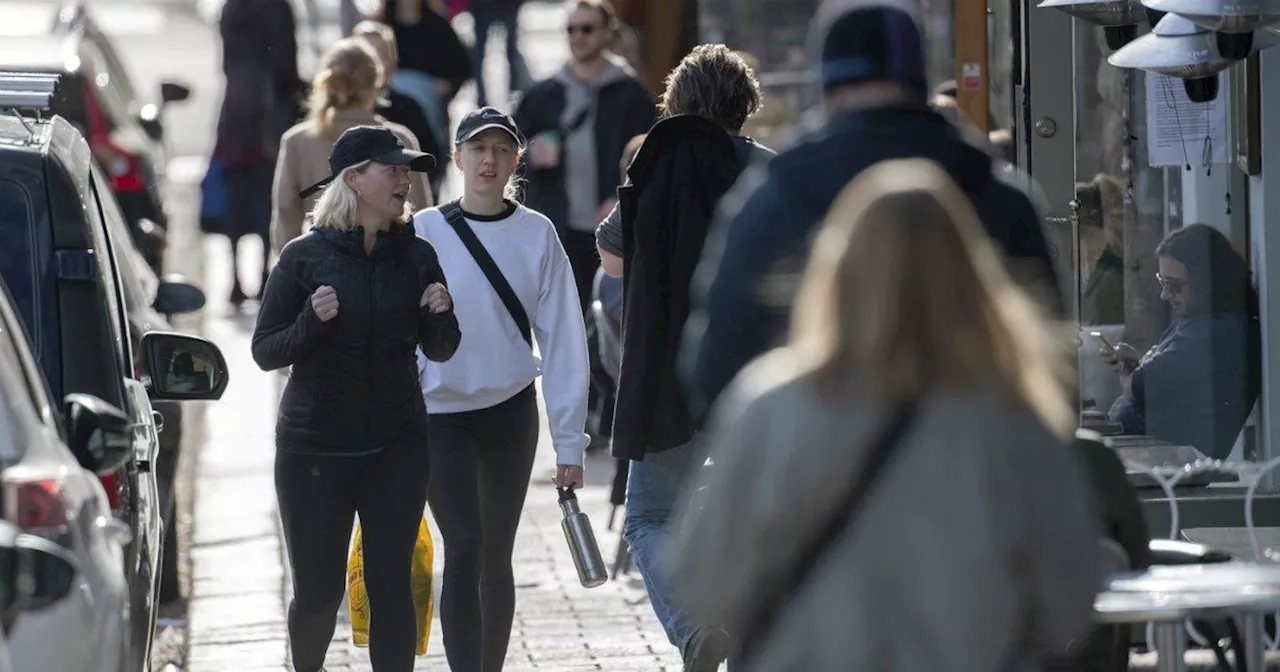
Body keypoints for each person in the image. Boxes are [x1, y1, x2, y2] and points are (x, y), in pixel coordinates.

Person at [667, 158, 1104, 671]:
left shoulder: (770, 405)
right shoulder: (1013, 418)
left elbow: (701, 579)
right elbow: (1071, 599)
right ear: (974, 274)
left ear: (838, 268)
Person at [682, 0, 1063, 416]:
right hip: (979, 465)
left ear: (826, 88)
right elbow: (1053, 366)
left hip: (820, 466)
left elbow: (714, 372)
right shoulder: (1000, 196)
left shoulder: (773, 200)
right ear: (921, 86)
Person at [251, 126, 460, 672]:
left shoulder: (416, 256)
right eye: (391, 169)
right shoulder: (303, 258)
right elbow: (264, 350)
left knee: (392, 587)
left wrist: (441, 313)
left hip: (397, 446)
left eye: (407, 170)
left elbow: (441, 351)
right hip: (314, 453)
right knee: (319, 596)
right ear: (353, 180)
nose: (405, 180)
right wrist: (309, 323)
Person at [594, 44, 769, 672]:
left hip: (666, 375)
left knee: (650, 516)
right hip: (754, 378)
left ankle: (695, 629)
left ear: (676, 100)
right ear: (744, 105)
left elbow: (611, 256)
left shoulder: (650, 164)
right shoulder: (767, 170)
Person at [412, 107, 590, 672]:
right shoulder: (423, 230)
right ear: (457, 158)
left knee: (495, 556)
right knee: (464, 547)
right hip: (440, 417)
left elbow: (563, 339)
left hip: (511, 416)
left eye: (501, 150)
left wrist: (569, 443)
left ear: (517, 160)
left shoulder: (538, 233)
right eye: (477, 149)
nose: (489, 160)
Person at [513, 0, 655, 311]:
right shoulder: (542, 95)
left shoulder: (632, 95)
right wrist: (532, 157)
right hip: (559, 227)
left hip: (614, 232)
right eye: (571, 29)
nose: (578, 36)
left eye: (588, 29)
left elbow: (651, 158)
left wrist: (619, 200)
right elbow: (511, 157)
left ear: (607, 34)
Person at [1101, 224, 1262, 459]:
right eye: (1162, 282)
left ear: (1206, 282)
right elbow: (1167, 379)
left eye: (1173, 286)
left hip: (1169, 467)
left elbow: (1140, 386)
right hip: (1154, 457)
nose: (1165, 295)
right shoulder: (1200, 321)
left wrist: (1130, 376)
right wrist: (1133, 365)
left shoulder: (1215, 332)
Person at [271, 37, 434, 253]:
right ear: (376, 83)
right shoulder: (399, 139)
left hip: (322, 270)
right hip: (389, 264)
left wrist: (297, 271)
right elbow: (420, 216)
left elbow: (286, 216)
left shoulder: (297, 140)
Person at [211, 0, 305, 305]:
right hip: (269, 115)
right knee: (269, 196)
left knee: (236, 198)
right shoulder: (277, 7)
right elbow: (286, 64)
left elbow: (226, 60)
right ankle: (264, 274)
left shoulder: (232, 7)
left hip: (236, 109)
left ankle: (235, 277)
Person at [353, 20, 448, 199]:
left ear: (393, 60)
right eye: (366, 56)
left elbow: (432, 165)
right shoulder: (333, 116)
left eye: (381, 54)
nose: (374, 65)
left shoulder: (409, 110)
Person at [471, 0, 531, 107]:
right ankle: (513, 95)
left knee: (509, 53)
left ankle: (513, 95)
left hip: (495, 6)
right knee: (510, 53)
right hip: (492, 6)